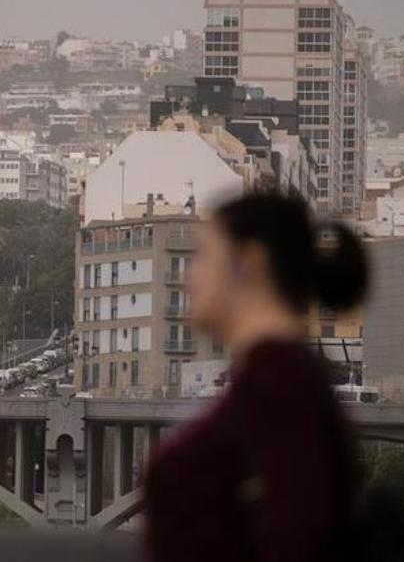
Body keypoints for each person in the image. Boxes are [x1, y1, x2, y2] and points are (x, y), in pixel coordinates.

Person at [143, 191, 366, 562]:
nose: (188, 279)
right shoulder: (284, 379)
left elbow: (299, 535)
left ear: (248, 263)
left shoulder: (279, 386)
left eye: (203, 257)